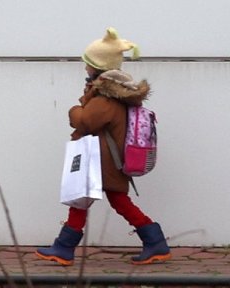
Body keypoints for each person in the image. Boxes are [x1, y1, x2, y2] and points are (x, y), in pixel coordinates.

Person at [36, 29, 170, 265]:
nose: (85, 67)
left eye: (87, 63)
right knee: (93, 201)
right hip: (104, 159)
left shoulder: (105, 98)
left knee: (87, 200)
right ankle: (153, 241)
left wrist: (73, 111)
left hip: (103, 160)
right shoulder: (106, 94)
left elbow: (86, 121)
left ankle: (65, 248)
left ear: (97, 67)